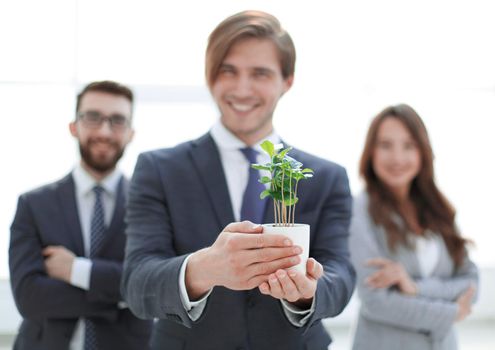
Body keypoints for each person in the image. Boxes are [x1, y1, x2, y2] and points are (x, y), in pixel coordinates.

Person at [121, 10, 355, 350]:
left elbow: (342, 275)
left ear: (287, 80)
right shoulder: (159, 169)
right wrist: (203, 269)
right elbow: (136, 283)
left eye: (259, 73)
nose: (241, 88)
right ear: (210, 77)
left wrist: (309, 291)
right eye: (228, 71)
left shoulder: (326, 178)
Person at [9, 81, 152, 350]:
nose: (104, 130)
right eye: (92, 117)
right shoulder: (34, 204)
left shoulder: (152, 204)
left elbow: (151, 285)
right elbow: (29, 297)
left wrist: (75, 270)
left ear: (131, 133)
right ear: (74, 126)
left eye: (118, 120)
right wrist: (120, 298)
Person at [349, 104, 479, 350]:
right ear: (371, 152)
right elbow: (376, 302)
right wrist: (451, 313)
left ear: (423, 151)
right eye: (385, 145)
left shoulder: (438, 207)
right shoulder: (359, 210)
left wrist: (414, 287)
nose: (397, 158)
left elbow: (471, 284)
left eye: (408, 146)